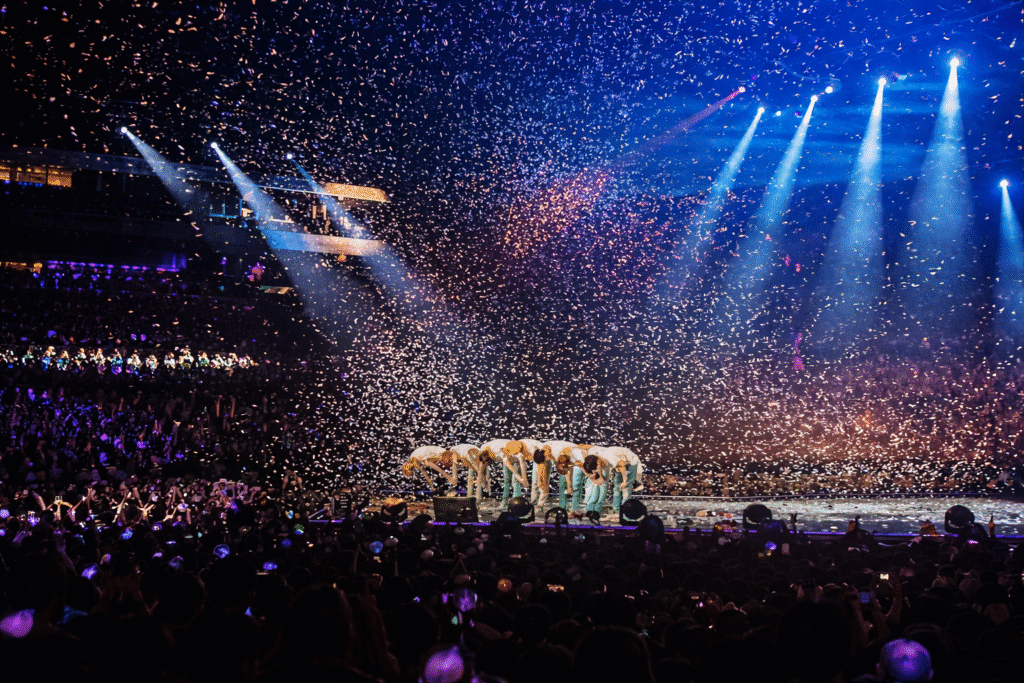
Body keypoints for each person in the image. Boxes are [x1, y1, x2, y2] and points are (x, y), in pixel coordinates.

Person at [587, 445, 642, 513]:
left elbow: (622, 466)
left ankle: (623, 511)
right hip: (619, 463)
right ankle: (616, 509)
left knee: (626, 488)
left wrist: (625, 481)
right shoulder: (595, 457)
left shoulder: (610, 458)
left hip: (631, 462)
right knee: (617, 487)